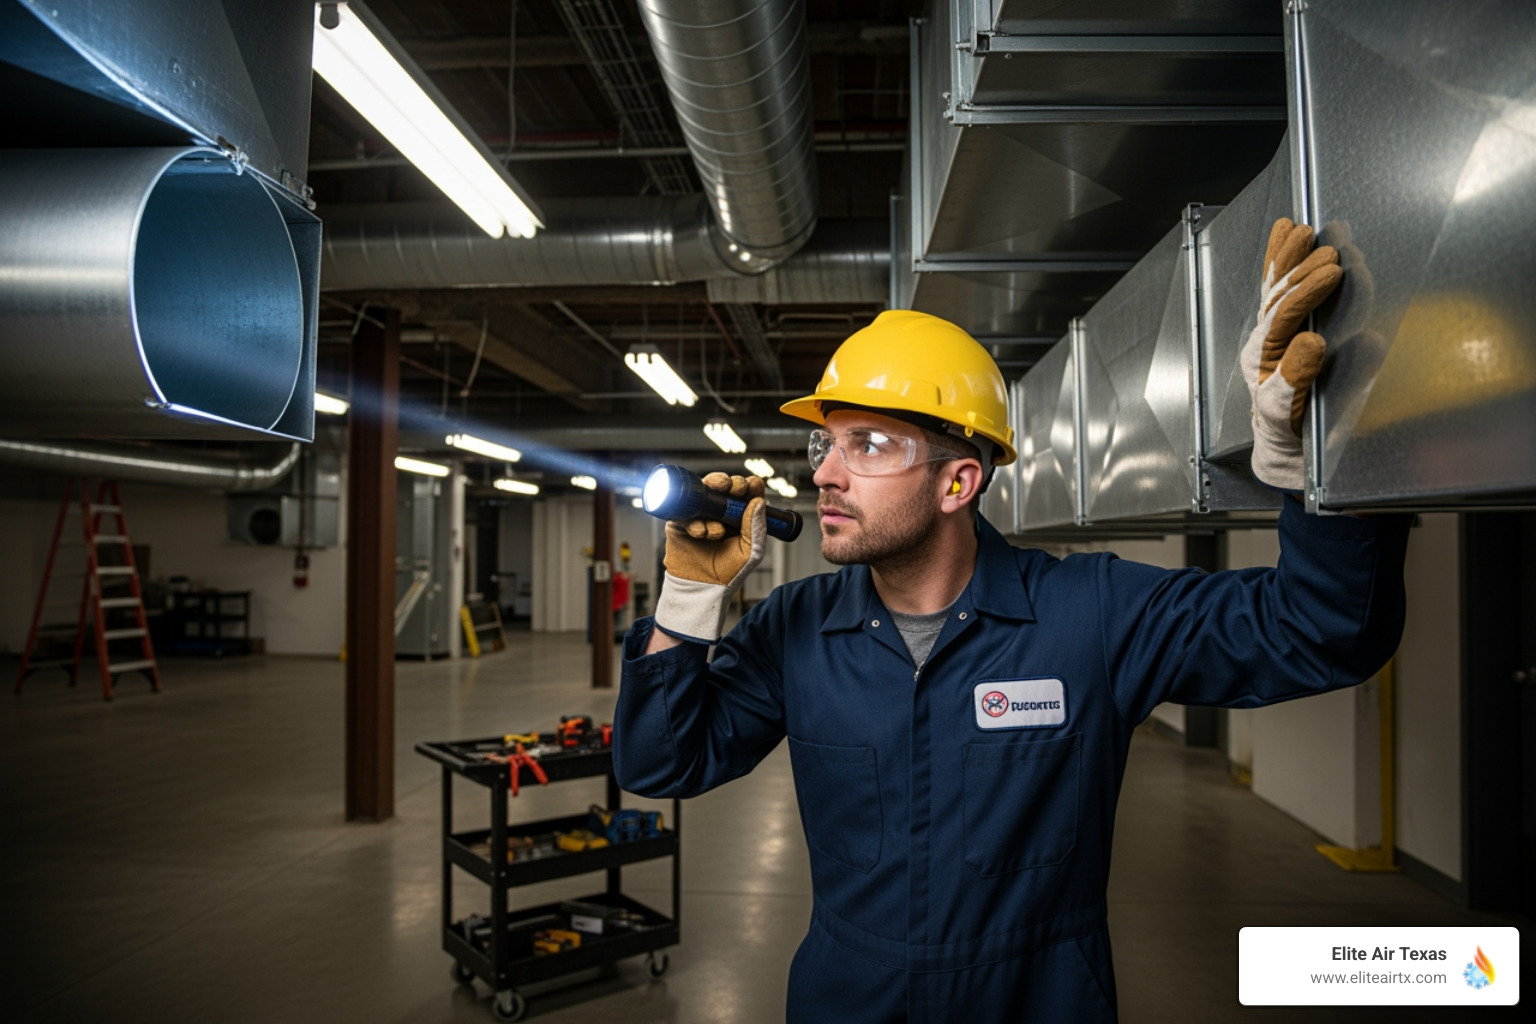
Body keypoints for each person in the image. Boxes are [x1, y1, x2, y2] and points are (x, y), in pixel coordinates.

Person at [613, 221, 1411, 1022]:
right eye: (825, 443)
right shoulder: (796, 630)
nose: (824, 472)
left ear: (958, 482)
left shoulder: (1091, 614)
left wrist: (1309, 472)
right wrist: (685, 599)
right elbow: (659, 765)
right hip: (848, 1000)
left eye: (868, 444)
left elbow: (1322, 630)